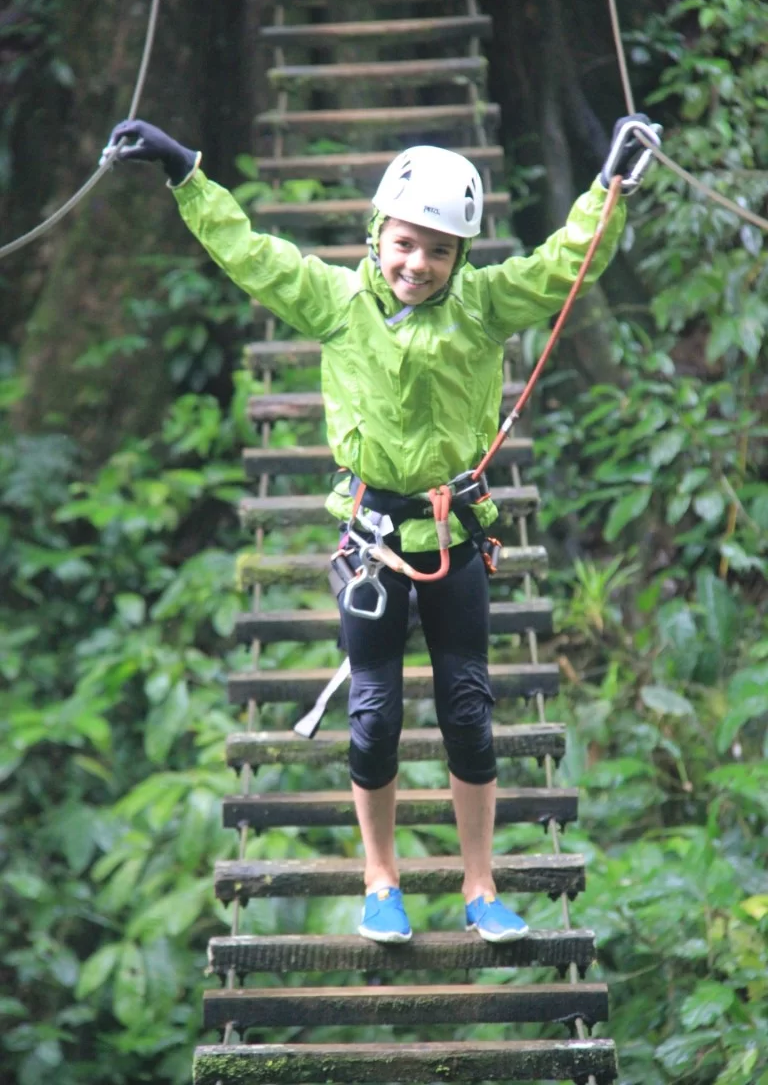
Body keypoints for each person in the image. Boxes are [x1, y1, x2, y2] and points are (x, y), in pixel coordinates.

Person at [104, 114, 661, 944]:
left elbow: (561, 267)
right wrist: (187, 173)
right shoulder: (337, 302)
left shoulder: (483, 305)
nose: (418, 263)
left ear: (460, 257)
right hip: (371, 543)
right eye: (406, 242)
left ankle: (480, 887)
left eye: (439, 250)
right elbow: (253, 255)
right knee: (374, 715)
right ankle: (380, 880)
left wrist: (609, 188)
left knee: (468, 707)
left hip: (455, 538)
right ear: (377, 236)